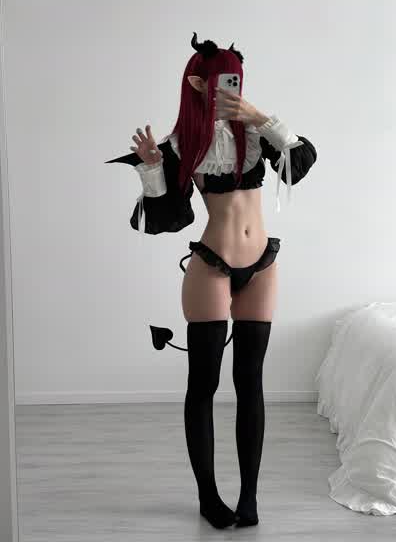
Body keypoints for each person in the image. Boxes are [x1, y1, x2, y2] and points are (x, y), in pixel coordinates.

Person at [105, 32, 318, 529]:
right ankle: (207, 496)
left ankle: (250, 498)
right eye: (223, 80)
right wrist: (153, 169)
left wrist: (260, 117)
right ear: (199, 83)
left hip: (261, 264)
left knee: (251, 383)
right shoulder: (184, 144)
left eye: (236, 80)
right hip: (211, 266)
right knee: (203, 384)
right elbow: (167, 218)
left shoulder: (256, 134)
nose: (231, 88)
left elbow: (299, 164)